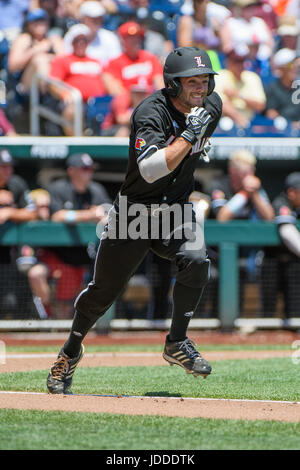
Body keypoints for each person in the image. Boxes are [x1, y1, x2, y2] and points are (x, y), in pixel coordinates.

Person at [47, 46, 223, 394]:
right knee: (102, 294)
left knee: (197, 260)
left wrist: (196, 135)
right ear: (173, 84)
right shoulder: (150, 112)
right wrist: (189, 136)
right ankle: (69, 352)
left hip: (174, 210)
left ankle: (176, 342)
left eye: (204, 81)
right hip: (135, 212)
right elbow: (151, 169)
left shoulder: (211, 107)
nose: (200, 89)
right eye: (192, 82)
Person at [31, 153, 111, 318]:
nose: (88, 173)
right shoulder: (58, 188)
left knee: (64, 310)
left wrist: (101, 216)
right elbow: (56, 216)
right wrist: (87, 215)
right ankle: (45, 317)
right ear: (71, 171)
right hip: (55, 253)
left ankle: (59, 329)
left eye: (90, 169)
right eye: (84, 169)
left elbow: (109, 213)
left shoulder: (96, 190)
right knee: (35, 274)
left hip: (81, 257)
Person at [208, 149, 274, 314]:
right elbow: (222, 217)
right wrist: (245, 194)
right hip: (214, 254)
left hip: (244, 254)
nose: (250, 176)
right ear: (233, 171)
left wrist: (256, 194)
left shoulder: (256, 191)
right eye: (245, 172)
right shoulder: (219, 185)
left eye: (251, 171)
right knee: (212, 294)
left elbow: (269, 217)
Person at [49, 23, 108, 135]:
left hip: (98, 102)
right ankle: (78, 143)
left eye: (84, 40)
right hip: (75, 101)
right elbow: (53, 83)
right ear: (71, 42)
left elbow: (108, 80)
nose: (81, 44)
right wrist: (65, 94)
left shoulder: (97, 61)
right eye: (77, 41)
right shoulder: (63, 60)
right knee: (72, 111)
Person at [260, 172, 300, 319]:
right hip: (272, 261)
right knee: (268, 307)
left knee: (295, 304)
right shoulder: (281, 202)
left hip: (293, 264)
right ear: (291, 192)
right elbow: (286, 231)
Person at [7, 8, 65, 93]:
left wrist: (49, 57)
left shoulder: (54, 39)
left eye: (43, 20)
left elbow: (65, 62)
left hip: (54, 78)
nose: (40, 24)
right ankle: (49, 92)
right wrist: (34, 51)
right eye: (36, 21)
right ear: (29, 24)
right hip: (27, 85)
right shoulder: (24, 39)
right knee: (40, 59)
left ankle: (55, 92)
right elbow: (12, 67)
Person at [101, 21, 164, 96]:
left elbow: (160, 84)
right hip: (129, 103)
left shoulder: (150, 58)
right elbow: (116, 91)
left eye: (137, 37)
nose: (135, 40)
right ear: (123, 40)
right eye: (130, 38)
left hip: (150, 101)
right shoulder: (115, 62)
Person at [214, 45, 266, 129]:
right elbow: (220, 104)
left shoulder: (252, 77)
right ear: (228, 61)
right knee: (227, 123)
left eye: (242, 61)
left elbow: (260, 105)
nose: (240, 64)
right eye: (237, 61)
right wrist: (239, 119)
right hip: (225, 123)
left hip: (250, 122)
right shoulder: (219, 76)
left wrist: (239, 96)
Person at [73, 1, 121, 65]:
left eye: (99, 17)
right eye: (92, 18)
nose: (96, 21)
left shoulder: (110, 37)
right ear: (83, 18)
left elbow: (116, 62)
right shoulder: (73, 34)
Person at [265, 48, 300, 130]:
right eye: (290, 65)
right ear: (281, 68)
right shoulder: (271, 88)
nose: (294, 68)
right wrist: (290, 125)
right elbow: (271, 114)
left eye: (295, 65)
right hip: (280, 134)